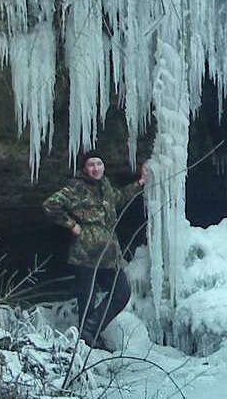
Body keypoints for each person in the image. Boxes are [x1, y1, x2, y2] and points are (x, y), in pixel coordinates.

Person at [41, 150, 149, 351]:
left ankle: (90, 329)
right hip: (85, 253)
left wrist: (141, 181)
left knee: (121, 293)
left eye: (99, 163)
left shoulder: (106, 186)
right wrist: (71, 225)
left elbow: (120, 197)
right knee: (87, 297)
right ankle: (86, 341)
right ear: (84, 168)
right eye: (91, 164)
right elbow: (51, 204)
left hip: (109, 254)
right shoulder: (77, 188)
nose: (95, 168)